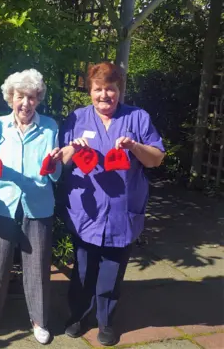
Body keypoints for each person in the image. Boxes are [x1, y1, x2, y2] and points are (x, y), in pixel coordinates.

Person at [58, 62, 165, 346]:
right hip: (86, 211)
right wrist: (72, 148)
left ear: (120, 90)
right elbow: (61, 163)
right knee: (82, 270)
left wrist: (134, 147)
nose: (104, 95)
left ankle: (106, 322)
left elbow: (155, 159)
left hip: (121, 213)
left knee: (111, 273)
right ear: (89, 91)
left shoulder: (138, 118)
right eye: (98, 89)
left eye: (110, 89)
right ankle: (79, 316)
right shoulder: (77, 118)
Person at [0, 69, 62, 345]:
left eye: (32, 97)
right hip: (4, 203)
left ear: (38, 100)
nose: (26, 103)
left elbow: (56, 175)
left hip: (38, 205)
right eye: (20, 96)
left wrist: (56, 162)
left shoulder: (49, 126)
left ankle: (39, 320)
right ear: (10, 98)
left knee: (37, 266)